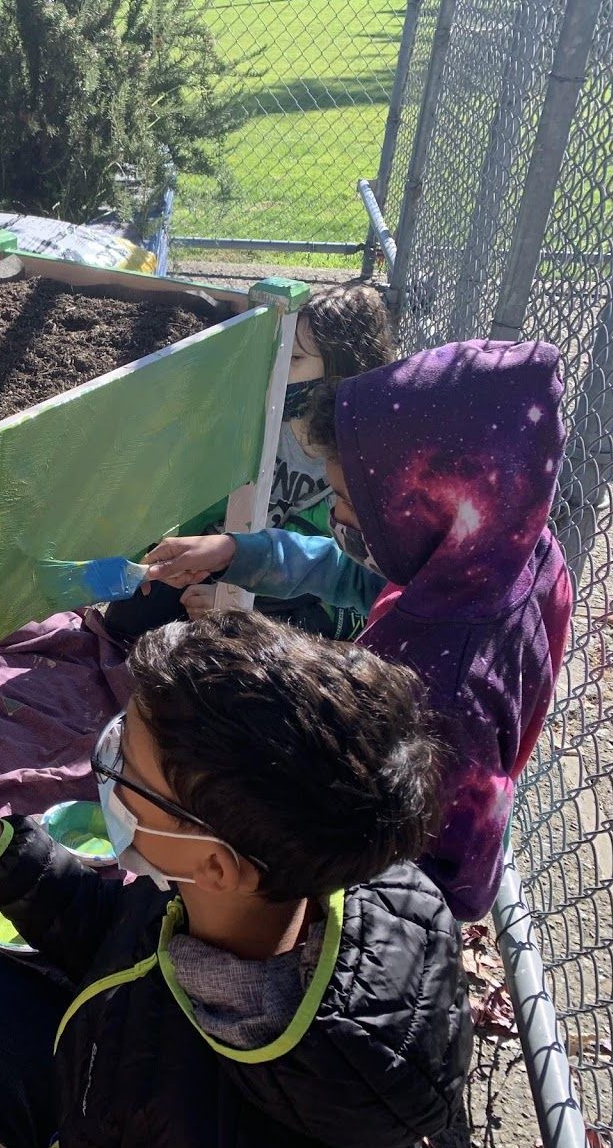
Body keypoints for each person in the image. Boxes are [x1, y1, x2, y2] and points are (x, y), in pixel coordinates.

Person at [0, 611, 471, 1148]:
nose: (107, 762)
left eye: (126, 769)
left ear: (215, 864)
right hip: (114, 1056)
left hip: (104, 1113)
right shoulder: (330, 853)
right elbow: (118, 932)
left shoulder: (186, 1120)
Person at [141, 340, 573, 920]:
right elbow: (346, 570)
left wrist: (382, 925)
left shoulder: (443, 687)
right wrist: (234, 551)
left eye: (347, 500)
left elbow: (459, 869)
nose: (337, 517)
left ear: (431, 500)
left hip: (383, 896)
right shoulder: (497, 548)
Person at [103, 283, 394, 645]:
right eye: (278, 350)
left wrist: (244, 605)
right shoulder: (257, 421)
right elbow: (198, 500)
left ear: (339, 373)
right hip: (228, 552)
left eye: (295, 358)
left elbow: (342, 581)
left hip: (294, 588)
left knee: (268, 637)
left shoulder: (358, 464)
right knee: (127, 621)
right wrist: (156, 551)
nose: (277, 367)